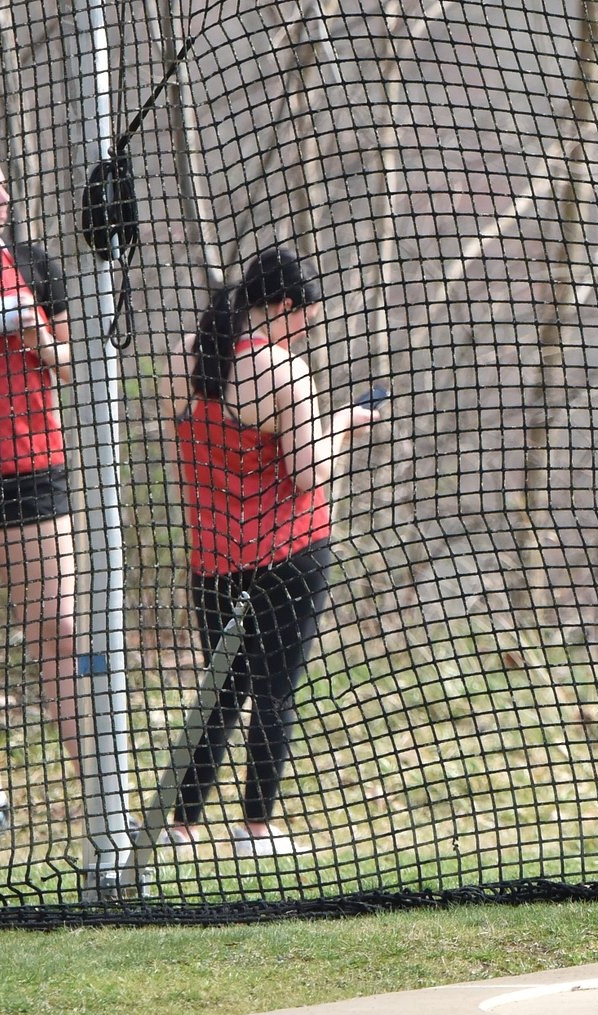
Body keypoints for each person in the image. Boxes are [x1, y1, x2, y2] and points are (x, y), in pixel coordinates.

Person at [164, 247, 375, 858]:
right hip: (287, 551)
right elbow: (311, 475)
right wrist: (342, 426)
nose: (308, 324)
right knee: (273, 691)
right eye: (305, 312)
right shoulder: (286, 372)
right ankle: (256, 827)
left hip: (212, 558)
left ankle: (182, 824)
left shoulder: (190, 357)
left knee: (220, 691)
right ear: (284, 305)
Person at [0, 144, 85, 843]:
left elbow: (71, 361)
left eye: (4, 186)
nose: (2, 195)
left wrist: (38, 336)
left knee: (58, 630)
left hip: (34, 472)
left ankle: (100, 786)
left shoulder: (33, 264)